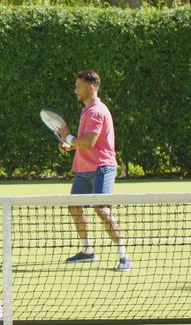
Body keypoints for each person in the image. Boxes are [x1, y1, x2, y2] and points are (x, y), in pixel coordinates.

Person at [57, 70, 130, 271]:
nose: (75, 90)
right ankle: (88, 250)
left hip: (102, 168)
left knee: (101, 209)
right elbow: (85, 142)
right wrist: (69, 145)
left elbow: (89, 142)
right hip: (84, 168)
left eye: (78, 87)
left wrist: (68, 137)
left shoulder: (97, 111)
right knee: (74, 207)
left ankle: (124, 255)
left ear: (91, 86)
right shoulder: (87, 110)